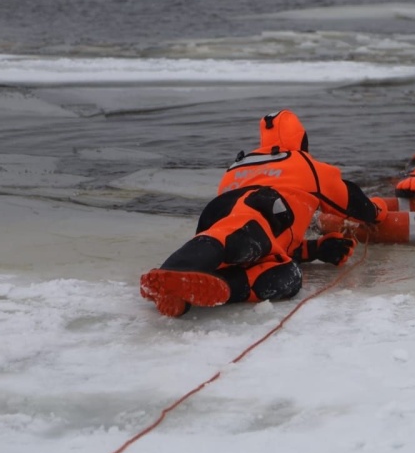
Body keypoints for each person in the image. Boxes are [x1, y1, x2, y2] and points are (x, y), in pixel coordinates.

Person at [140, 109, 388, 317]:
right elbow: (353, 202)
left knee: (289, 275)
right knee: (233, 238)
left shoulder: (237, 165)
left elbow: (276, 241)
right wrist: (379, 209)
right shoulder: (306, 164)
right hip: (261, 209)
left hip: (223, 217)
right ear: (302, 141)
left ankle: (213, 287)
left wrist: (316, 249)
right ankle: (173, 272)